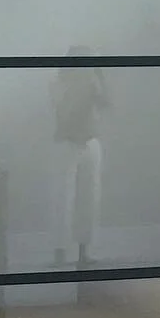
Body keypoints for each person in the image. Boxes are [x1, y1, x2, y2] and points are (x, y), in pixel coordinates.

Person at [50, 46, 110, 268]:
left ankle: (84, 251)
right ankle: (60, 252)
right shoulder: (60, 81)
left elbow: (106, 103)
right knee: (63, 199)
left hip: (91, 142)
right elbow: (65, 111)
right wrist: (85, 86)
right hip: (67, 144)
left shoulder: (94, 81)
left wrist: (99, 79)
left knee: (89, 199)